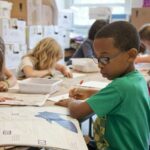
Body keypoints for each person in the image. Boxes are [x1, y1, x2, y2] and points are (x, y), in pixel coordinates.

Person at [55, 21, 150, 150]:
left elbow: (77, 111)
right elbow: (121, 99)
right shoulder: (137, 79)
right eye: (97, 58)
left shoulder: (120, 86)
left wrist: (70, 102)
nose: (99, 64)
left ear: (131, 55)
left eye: (105, 58)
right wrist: (89, 93)